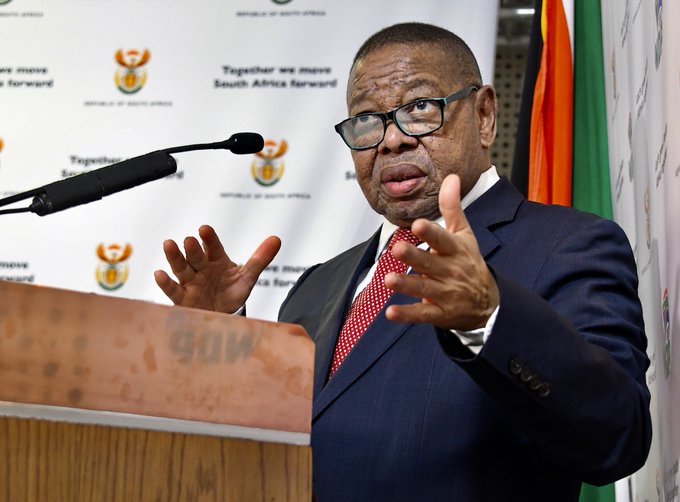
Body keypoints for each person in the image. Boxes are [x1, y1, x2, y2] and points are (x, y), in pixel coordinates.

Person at [154, 22, 651, 502]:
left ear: (483, 115)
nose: (392, 140)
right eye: (367, 120)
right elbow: (281, 447)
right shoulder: (315, 287)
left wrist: (490, 319)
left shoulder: (569, 245)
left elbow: (617, 436)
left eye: (419, 107)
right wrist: (220, 341)